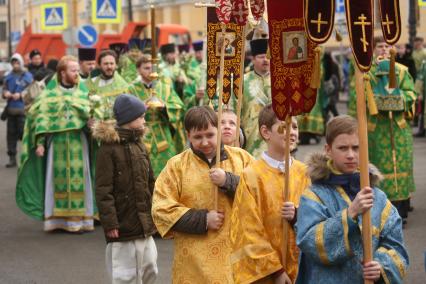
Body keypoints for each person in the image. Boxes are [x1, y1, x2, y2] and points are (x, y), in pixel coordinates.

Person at [296, 115, 409, 283]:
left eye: (356, 148)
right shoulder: (314, 196)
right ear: (328, 150)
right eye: (343, 148)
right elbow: (310, 243)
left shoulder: (377, 197)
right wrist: (350, 213)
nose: (350, 155)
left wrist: (381, 265)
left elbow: (396, 246)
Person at [152, 106, 253, 283]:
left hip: (234, 256)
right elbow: (161, 209)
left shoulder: (242, 158)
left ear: (218, 131)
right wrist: (203, 219)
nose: (205, 142)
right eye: (198, 137)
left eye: (210, 135)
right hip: (192, 263)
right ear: (188, 135)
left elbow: (258, 195)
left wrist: (229, 182)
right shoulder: (176, 166)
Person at [230, 104, 309, 283]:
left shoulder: (305, 173)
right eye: (284, 126)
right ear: (266, 132)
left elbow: (319, 219)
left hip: (301, 269)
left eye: (295, 126)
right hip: (267, 274)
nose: (292, 132)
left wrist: (297, 216)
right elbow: (248, 229)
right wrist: (276, 270)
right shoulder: (251, 175)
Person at [16, 55, 95, 232]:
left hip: (77, 142)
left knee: (80, 178)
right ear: (62, 73)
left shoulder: (83, 93)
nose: (77, 74)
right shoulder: (49, 95)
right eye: (73, 70)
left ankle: (79, 220)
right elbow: (41, 119)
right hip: (56, 144)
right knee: (55, 179)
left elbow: (92, 118)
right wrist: (40, 143)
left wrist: (92, 125)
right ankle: (57, 220)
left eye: (77, 70)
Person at [94, 94, 158, 284]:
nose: (144, 120)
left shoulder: (140, 145)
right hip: (122, 224)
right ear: (129, 119)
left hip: (144, 222)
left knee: (150, 268)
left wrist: (155, 209)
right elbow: (103, 189)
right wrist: (110, 223)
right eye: (141, 116)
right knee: (125, 274)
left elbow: (150, 181)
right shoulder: (108, 149)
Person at [366, 36, 417, 221]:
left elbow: (411, 93)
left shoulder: (402, 71)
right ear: (373, 49)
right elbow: (362, 98)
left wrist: (396, 101)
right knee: (378, 168)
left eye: (388, 46)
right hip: (376, 129)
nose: (384, 49)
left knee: (399, 167)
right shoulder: (367, 73)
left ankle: (401, 210)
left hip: (398, 128)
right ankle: (381, 210)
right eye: (380, 46)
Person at [129, 55, 185, 176]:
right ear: (138, 70)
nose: (150, 71)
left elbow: (178, 107)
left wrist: (164, 107)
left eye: (152, 68)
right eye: (146, 68)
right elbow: (125, 111)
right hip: (140, 133)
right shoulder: (131, 90)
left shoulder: (165, 88)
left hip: (163, 134)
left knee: (168, 171)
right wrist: (141, 108)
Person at [241, 38, 271, 157]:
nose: (266, 60)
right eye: (261, 57)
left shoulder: (280, 80)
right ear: (253, 59)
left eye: (268, 56)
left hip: (276, 135)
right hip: (251, 136)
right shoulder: (243, 81)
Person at [2, 53, 33, 167]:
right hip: (11, 111)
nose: (15, 65)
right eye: (13, 62)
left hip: (23, 111)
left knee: (23, 135)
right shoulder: (8, 76)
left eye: (17, 62)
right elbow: (4, 90)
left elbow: (32, 92)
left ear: (21, 62)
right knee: (11, 136)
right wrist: (6, 93)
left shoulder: (28, 76)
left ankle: (28, 158)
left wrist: (20, 95)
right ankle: (12, 158)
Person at [87, 49, 130, 121]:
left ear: (116, 65)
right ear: (99, 65)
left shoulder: (123, 85)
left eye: (112, 63)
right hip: (97, 126)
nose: (109, 67)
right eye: (106, 64)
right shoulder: (91, 84)